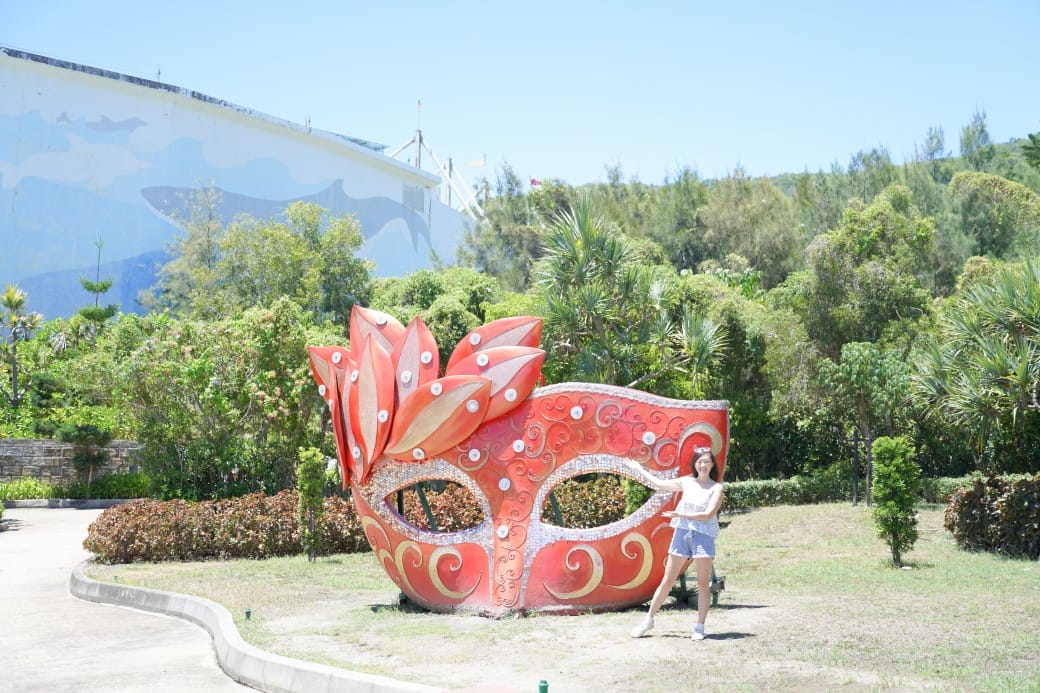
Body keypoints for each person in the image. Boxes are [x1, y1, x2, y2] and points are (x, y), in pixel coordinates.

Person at [624, 447, 723, 641]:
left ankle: (700, 627)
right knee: (668, 580)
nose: (703, 465)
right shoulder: (687, 481)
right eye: (699, 461)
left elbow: (707, 515)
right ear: (695, 463)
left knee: (703, 583)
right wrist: (639, 469)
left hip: (703, 535)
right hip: (682, 533)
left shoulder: (716, 488)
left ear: (712, 465)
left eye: (706, 462)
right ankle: (648, 620)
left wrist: (680, 515)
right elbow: (659, 483)